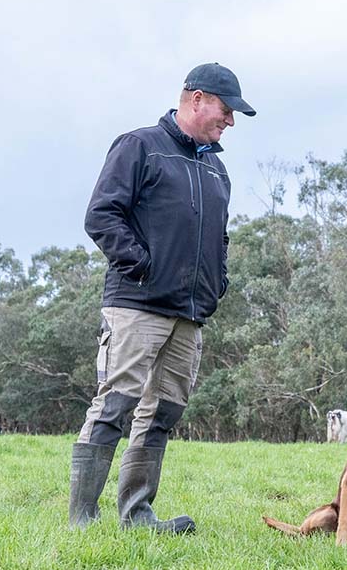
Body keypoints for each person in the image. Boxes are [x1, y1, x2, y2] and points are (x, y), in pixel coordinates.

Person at [69, 63, 255, 533]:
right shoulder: (139, 146)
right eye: (226, 109)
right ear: (196, 99)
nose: (230, 120)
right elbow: (102, 216)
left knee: (163, 413)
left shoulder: (216, 167)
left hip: (189, 315)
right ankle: (82, 521)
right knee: (116, 404)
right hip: (136, 305)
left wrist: (218, 282)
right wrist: (144, 266)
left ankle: (137, 515)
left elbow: (221, 237)